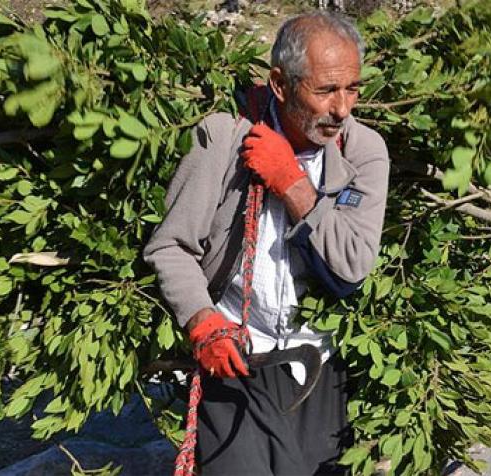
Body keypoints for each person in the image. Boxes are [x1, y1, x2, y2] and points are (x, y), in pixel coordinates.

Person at [143, 11, 390, 475]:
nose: (342, 108)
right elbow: (171, 246)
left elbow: (352, 265)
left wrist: (293, 184)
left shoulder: (364, 151)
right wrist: (203, 323)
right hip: (235, 354)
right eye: (325, 90)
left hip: (317, 360)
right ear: (280, 84)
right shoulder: (223, 138)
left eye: (352, 88)